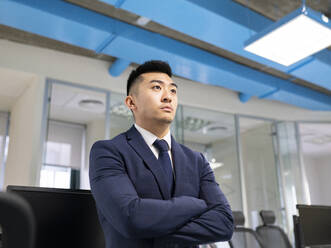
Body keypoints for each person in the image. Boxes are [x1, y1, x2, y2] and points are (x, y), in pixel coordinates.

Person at [89, 60, 234, 248]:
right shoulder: (108, 152)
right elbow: (131, 219)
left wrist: (151, 230)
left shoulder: (197, 160)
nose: (168, 97)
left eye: (173, 90)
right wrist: (196, 205)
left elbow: (224, 224)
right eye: (157, 88)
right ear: (131, 102)